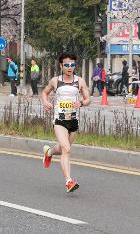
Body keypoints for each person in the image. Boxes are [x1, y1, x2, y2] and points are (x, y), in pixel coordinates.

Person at [41, 53, 91, 193]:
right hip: (59, 120)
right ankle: (69, 181)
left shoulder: (80, 81)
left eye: (72, 65)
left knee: (63, 148)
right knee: (66, 149)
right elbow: (44, 93)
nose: (70, 68)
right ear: (61, 65)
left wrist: (81, 103)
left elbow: (88, 99)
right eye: (67, 65)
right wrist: (46, 102)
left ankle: (49, 152)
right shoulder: (55, 81)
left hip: (73, 121)